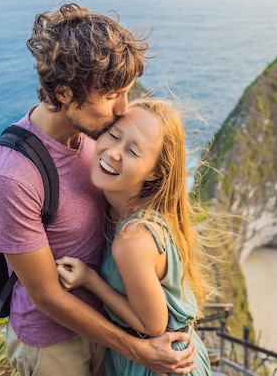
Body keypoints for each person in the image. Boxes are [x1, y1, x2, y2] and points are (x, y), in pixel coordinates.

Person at [0, 3, 197, 376]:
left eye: (126, 93)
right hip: (55, 346)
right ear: (64, 94)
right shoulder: (13, 175)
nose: (122, 110)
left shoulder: (94, 137)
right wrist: (141, 350)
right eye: (113, 96)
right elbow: (47, 296)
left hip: (109, 327)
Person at [56, 97, 213, 376]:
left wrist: (89, 280)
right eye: (114, 135)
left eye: (133, 151)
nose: (113, 152)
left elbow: (152, 325)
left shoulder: (133, 239)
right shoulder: (138, 211)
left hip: (157, 362)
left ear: (155, 172)